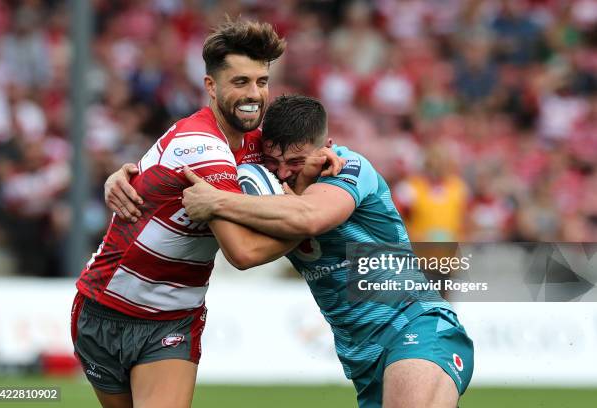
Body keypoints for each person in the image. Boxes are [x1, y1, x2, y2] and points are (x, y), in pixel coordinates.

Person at [110, 95, 475, 407]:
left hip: (416, 326)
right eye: (274, 163)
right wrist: (120, 179)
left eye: (296, 163)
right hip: (363, 357)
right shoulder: (265, 185)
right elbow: (243, 251)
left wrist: (218, 201)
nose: (282, 174)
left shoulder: (349, 168)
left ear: (325, 147)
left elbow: (309, 217)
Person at [72, 20, 342, 408]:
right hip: (103, 308)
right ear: (211, 87)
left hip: (173, 319)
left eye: (261, 82)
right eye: (241, 82)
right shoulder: (202, 146)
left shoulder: (254, 142)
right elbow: (243, 253)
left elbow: (299, 157)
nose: (254, 95)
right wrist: (308, 222)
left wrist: (329, 156)